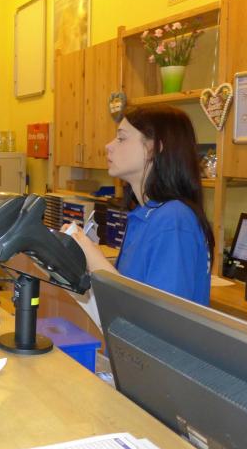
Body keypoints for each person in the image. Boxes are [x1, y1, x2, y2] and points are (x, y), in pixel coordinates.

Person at [64, 105, 214, 306]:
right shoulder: (144, 214)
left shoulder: (173, 220)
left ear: (154, 148)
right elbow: (131, 294)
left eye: (121, 138)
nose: (108, 146)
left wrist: (91, 254)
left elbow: (160, 313)